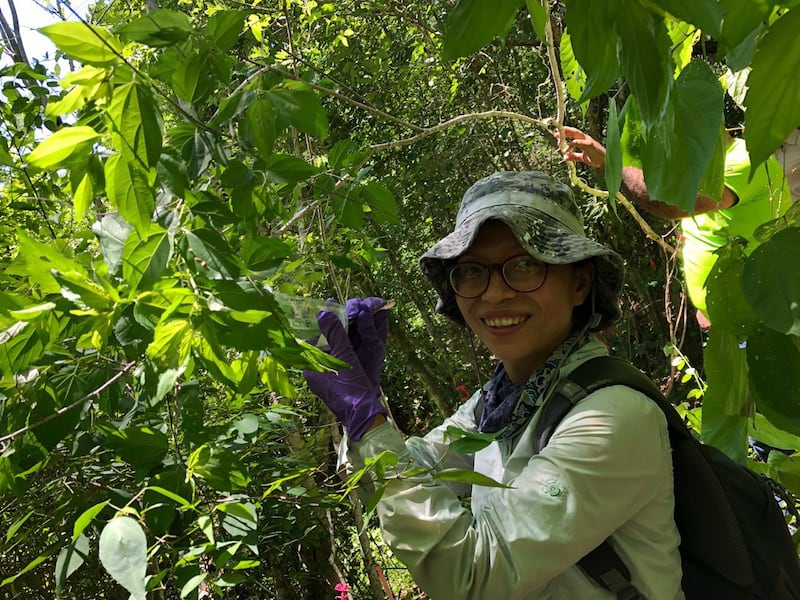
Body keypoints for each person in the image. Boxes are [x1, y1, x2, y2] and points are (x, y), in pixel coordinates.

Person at [304, 172, 683, 599]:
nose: (495, 294)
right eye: (472, 271)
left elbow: (475, 576)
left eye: (524, 265)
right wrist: (363, 416)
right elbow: (419, 468)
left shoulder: (612, 417)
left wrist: (367, 419)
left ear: (579, 283)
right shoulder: (499, 405)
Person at [557, 125, 791, 327]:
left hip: (757, 317)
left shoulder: (743, 161)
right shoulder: (701, 168)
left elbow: (670, 204)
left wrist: (612, 163)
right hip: (726, 315)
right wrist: (708, 305)